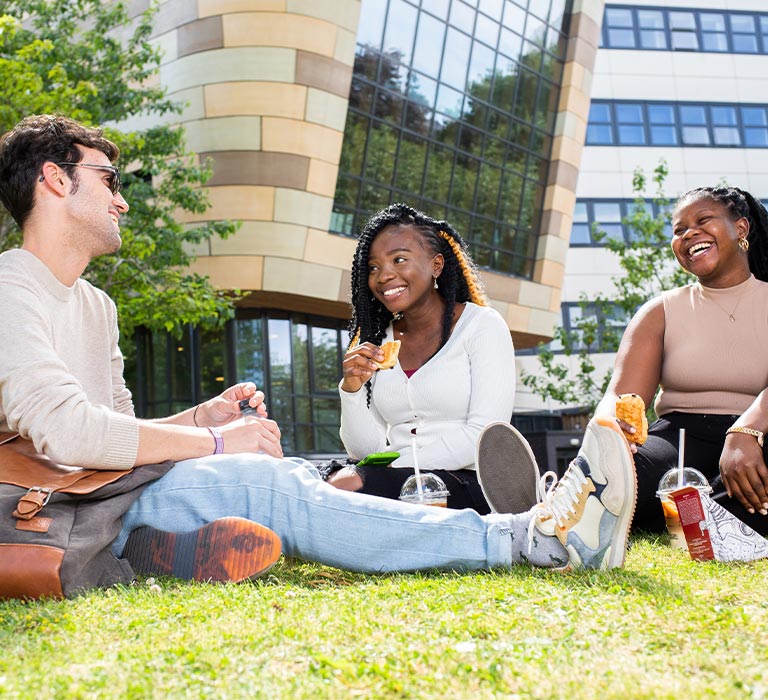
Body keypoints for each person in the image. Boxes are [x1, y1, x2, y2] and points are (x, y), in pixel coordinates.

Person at [0, 115, 637, 591]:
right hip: (44, 506)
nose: (122, 199)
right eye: (107, 180)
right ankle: (532, 538)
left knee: (294, 476)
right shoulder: (10, 287)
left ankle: (149, 547)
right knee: (271, 485)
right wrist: (220, 447)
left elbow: (118, 438)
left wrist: (202, 419)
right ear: (55, 180)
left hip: (103, 492)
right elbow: (67, 433)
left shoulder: (95, 305)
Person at [480, 186, 768, 538]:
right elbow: (621, 397)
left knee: (756, 480)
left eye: (703, 220)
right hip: (677, 439)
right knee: (620, 470)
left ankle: (686, 512)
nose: (689, 234)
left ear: (741, 229)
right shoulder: (660, 310)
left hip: (758, 439)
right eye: (679, 230)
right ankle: (554, 508)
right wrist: (610, 437)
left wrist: (745, 430)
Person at [330, 204, 538, 514]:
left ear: (436, 265)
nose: (384, 275)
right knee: (319, 476)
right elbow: (365, 451)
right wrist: (352, 390)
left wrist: (386, 469)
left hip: (473, 481)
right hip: (393, 478)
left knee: (348, 484)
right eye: (373, 267)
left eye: (399, 259)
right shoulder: (376, 342)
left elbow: (483, 435)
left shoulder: (482, 326)